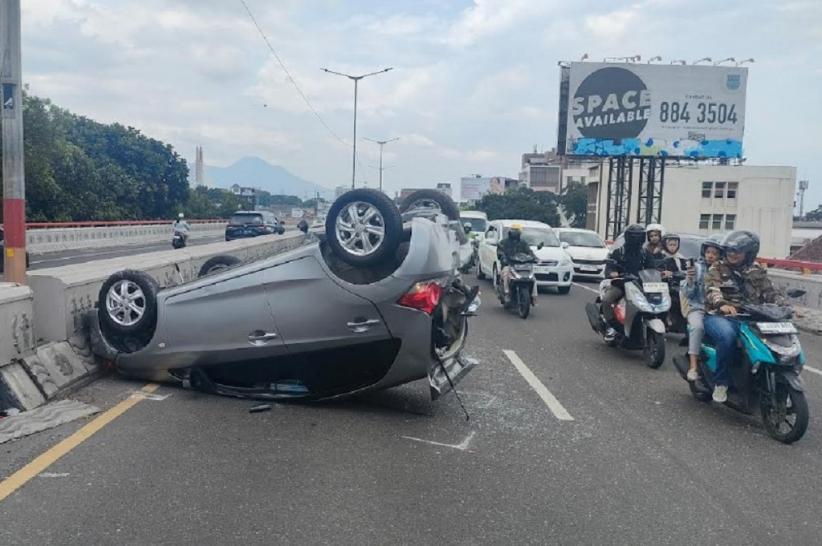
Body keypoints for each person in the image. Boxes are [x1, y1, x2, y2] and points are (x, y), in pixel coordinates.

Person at [704, 230, 783, 403]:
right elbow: (711, 289)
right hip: (721, 316)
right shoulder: (717, 267)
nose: (732, 254)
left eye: (737, 251)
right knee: (727, 337)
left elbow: (771, 292)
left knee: (774, 339)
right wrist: (722, 304)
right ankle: (721, 383)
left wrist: (785, 305)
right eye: (730, 250)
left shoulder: (757, 270)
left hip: (752, 317)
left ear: (749, 253)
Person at [602, 224, 655, 341]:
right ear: (628, 237)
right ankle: (611, 326)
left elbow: (652, 268)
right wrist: (612, 272)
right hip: (621, 284)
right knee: (607, 300)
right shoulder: (618, 252)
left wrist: (660, 273)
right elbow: (610, 266)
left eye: (639, 236)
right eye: (634, 236)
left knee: (656, 301)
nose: (636, 239)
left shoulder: (645, 254)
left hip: (641, 286)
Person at [681, 238, 723, 381]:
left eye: (715, 253)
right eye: (708, 252)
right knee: (697, 327)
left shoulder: (725, 271)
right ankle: (693, 367)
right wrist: (690, 279)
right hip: (698, 308)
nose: (710, 255)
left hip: (719, 310)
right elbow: (688, 294)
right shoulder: (697, 268)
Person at [497, 223, 536, 297]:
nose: (515, 232)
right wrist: (503, 257)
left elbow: (529, 251)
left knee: (533, 277)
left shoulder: (523, 242)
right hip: (508, 264)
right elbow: (500, 251)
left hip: (521, 265)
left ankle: (534, 296)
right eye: (514, 230)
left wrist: (534, 257)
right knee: (505, 274)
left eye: (517, 231)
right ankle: (506, 293)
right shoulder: (504, 242)